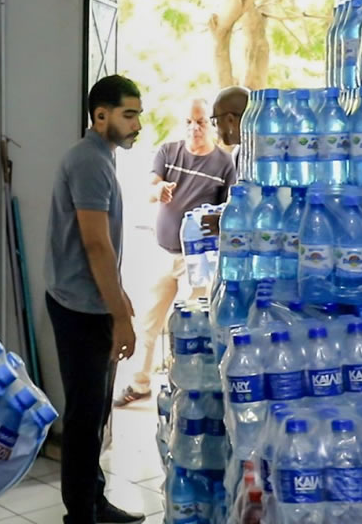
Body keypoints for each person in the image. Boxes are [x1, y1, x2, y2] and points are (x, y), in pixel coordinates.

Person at [45, 75, 146, 524]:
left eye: (138, 114)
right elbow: (95, 245)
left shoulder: (98, 158)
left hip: (90, 303)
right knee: (86, 418)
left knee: (97, 411)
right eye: (129, 115)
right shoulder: (89, 161)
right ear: (100, 115)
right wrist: (120, 316)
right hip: (80, 309)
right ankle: (80, 514)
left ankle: (94, 501)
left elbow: (103, 248)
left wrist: (119, 297)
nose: (136, 124)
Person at [114, 97, 236, 407]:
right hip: (162, 252)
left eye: (201, 122)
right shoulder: (169, 152)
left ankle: (186, 390)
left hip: (197, 261)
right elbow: (150, 186)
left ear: (210, 124)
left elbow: (229, 213)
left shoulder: (224, 163)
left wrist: (208, 219)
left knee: (190, 325)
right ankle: (139, 383)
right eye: (189, 122)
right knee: (148, 322)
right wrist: (160, 190)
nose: (194, 128)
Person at [202, 85, 250, 237]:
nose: (215, 129)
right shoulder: (239, 153)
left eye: (215, 121)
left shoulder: (267, 157)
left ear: (230, 120)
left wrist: (225, 223)